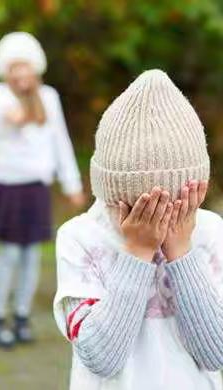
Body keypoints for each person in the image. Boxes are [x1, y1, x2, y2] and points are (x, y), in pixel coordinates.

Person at [53, 69, 223, 390]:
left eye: (171, 207)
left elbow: (216, 352)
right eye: (137, 208)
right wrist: (137, 252)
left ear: (192, 195)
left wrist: (182, 253)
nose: (154, 224)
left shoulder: (211, 233)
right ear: (109, 193)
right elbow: (102, 358)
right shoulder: (80, 239)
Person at [0, 32, 85, 349]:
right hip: (9, 186)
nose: (20, 73)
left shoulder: (50, 97)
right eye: (14, 67)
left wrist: (72, 184)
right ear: (5, 70)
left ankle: (22, 315)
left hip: (37, 186)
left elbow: (60, 141)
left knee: (33, 255)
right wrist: (27, 100)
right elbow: (13, 116)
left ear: (35, 67)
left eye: (25, 66)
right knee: (10, 253)